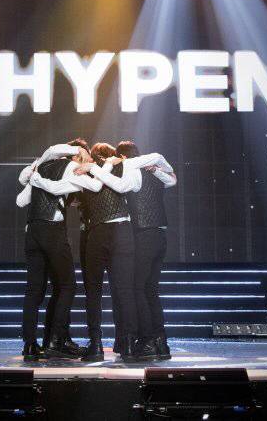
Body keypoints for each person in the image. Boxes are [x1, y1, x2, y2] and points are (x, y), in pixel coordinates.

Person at [76, 143, 171, 362]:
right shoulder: (129, 168)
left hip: (100, 231)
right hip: (126, 232)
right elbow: (166, 173)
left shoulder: (87, 170)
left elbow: (91, 194)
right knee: (128, 291)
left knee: (94, 291)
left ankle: (96, 344)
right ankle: (130, 343)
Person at [16, 142, 101, 361]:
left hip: (32, 231)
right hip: (52, 231)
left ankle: (30, 345)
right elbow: (88, 187)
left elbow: (20, 201)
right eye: (87, 157)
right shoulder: (72, 168)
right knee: (67, 285)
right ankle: (55, 341)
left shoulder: (42, 166)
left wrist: (35, 179)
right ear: (79, 156)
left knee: (34, 290)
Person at [117, 140, 177, 361]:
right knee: (151, 290)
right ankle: (161, 343)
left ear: (123, 157)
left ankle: (147, 341)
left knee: (138, 288)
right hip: (160, 236)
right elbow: (172, 179)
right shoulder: (155, 174)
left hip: (144, 236)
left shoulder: (132, 171)